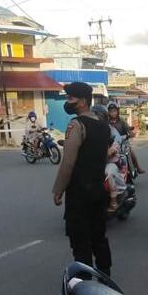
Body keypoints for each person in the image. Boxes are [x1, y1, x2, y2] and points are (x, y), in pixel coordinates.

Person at [52, 82, 113, 273]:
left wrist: (58, 189)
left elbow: (68, 162)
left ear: (83, 102)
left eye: (71, 98)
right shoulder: (103, 126)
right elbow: (103, 156)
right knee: (99, 237)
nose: (68, 102)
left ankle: (85, 284)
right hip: (98, 189)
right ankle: (105, 275)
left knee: (80, 240)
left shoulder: (76, 124)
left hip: (79, 193)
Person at [107, 102, 144, 173]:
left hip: (123, 142)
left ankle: (138, 167)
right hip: (112, 143)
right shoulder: (107, 122)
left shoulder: (121, 121)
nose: (113, 113)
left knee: (131, 151)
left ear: (118, 111)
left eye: (114, 111)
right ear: (108, 112)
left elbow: (128, 129)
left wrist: (131, 133)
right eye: (111, 111)